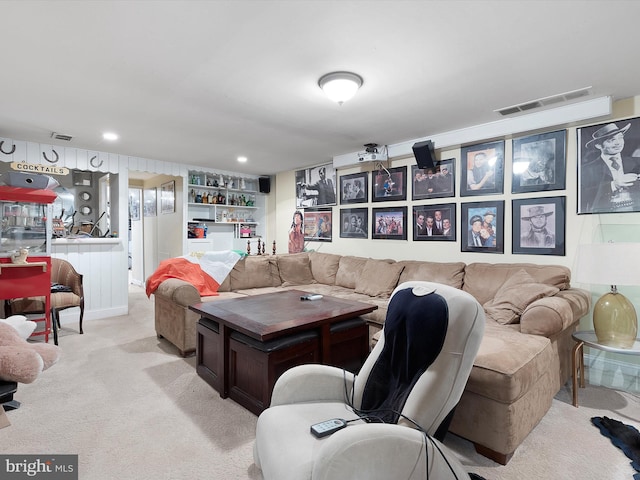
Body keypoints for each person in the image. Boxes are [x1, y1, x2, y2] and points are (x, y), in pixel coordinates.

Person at [580, 122, 640, 212]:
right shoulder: (587, 170)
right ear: (598, 145)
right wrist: (613, 185)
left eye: (620, 138)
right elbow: (583, 196)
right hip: (605, 218)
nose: (618, 143)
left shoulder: (637, 162)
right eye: (611, 140)